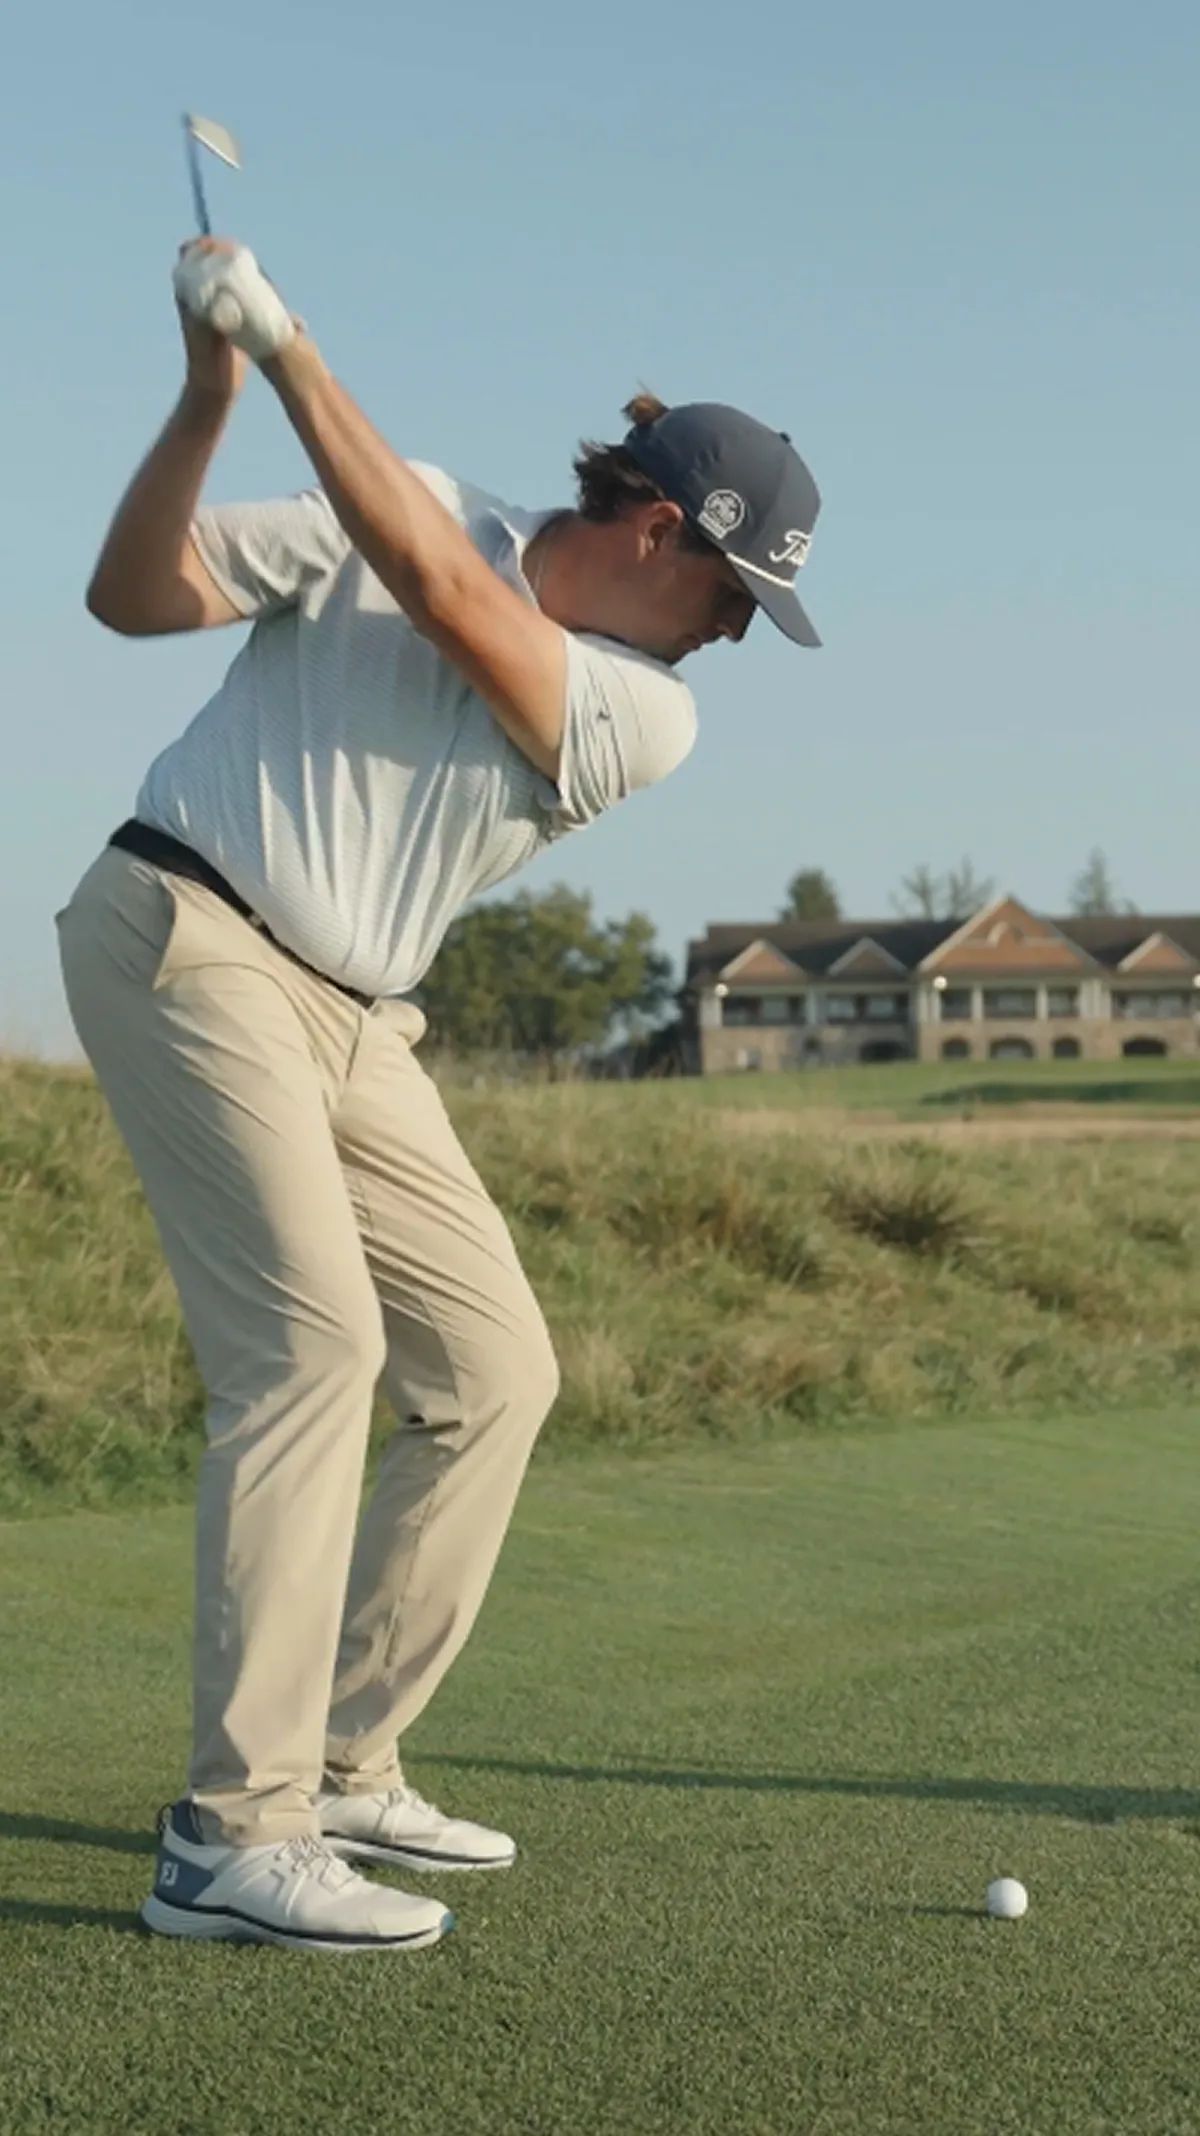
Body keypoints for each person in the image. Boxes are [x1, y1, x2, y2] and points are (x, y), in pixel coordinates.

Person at [56, 236, 824, 1954]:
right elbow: (133, 592)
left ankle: (337, 1759)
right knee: (315, 1345)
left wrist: (297, 356)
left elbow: (452, 599)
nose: (730, 644)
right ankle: (226, 1835)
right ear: (660, 536)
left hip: (352, 1018)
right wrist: (208, 397)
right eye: (732, 601)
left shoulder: (645, 711)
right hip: (184, 928)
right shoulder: (392, 494)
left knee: (493, 1371)